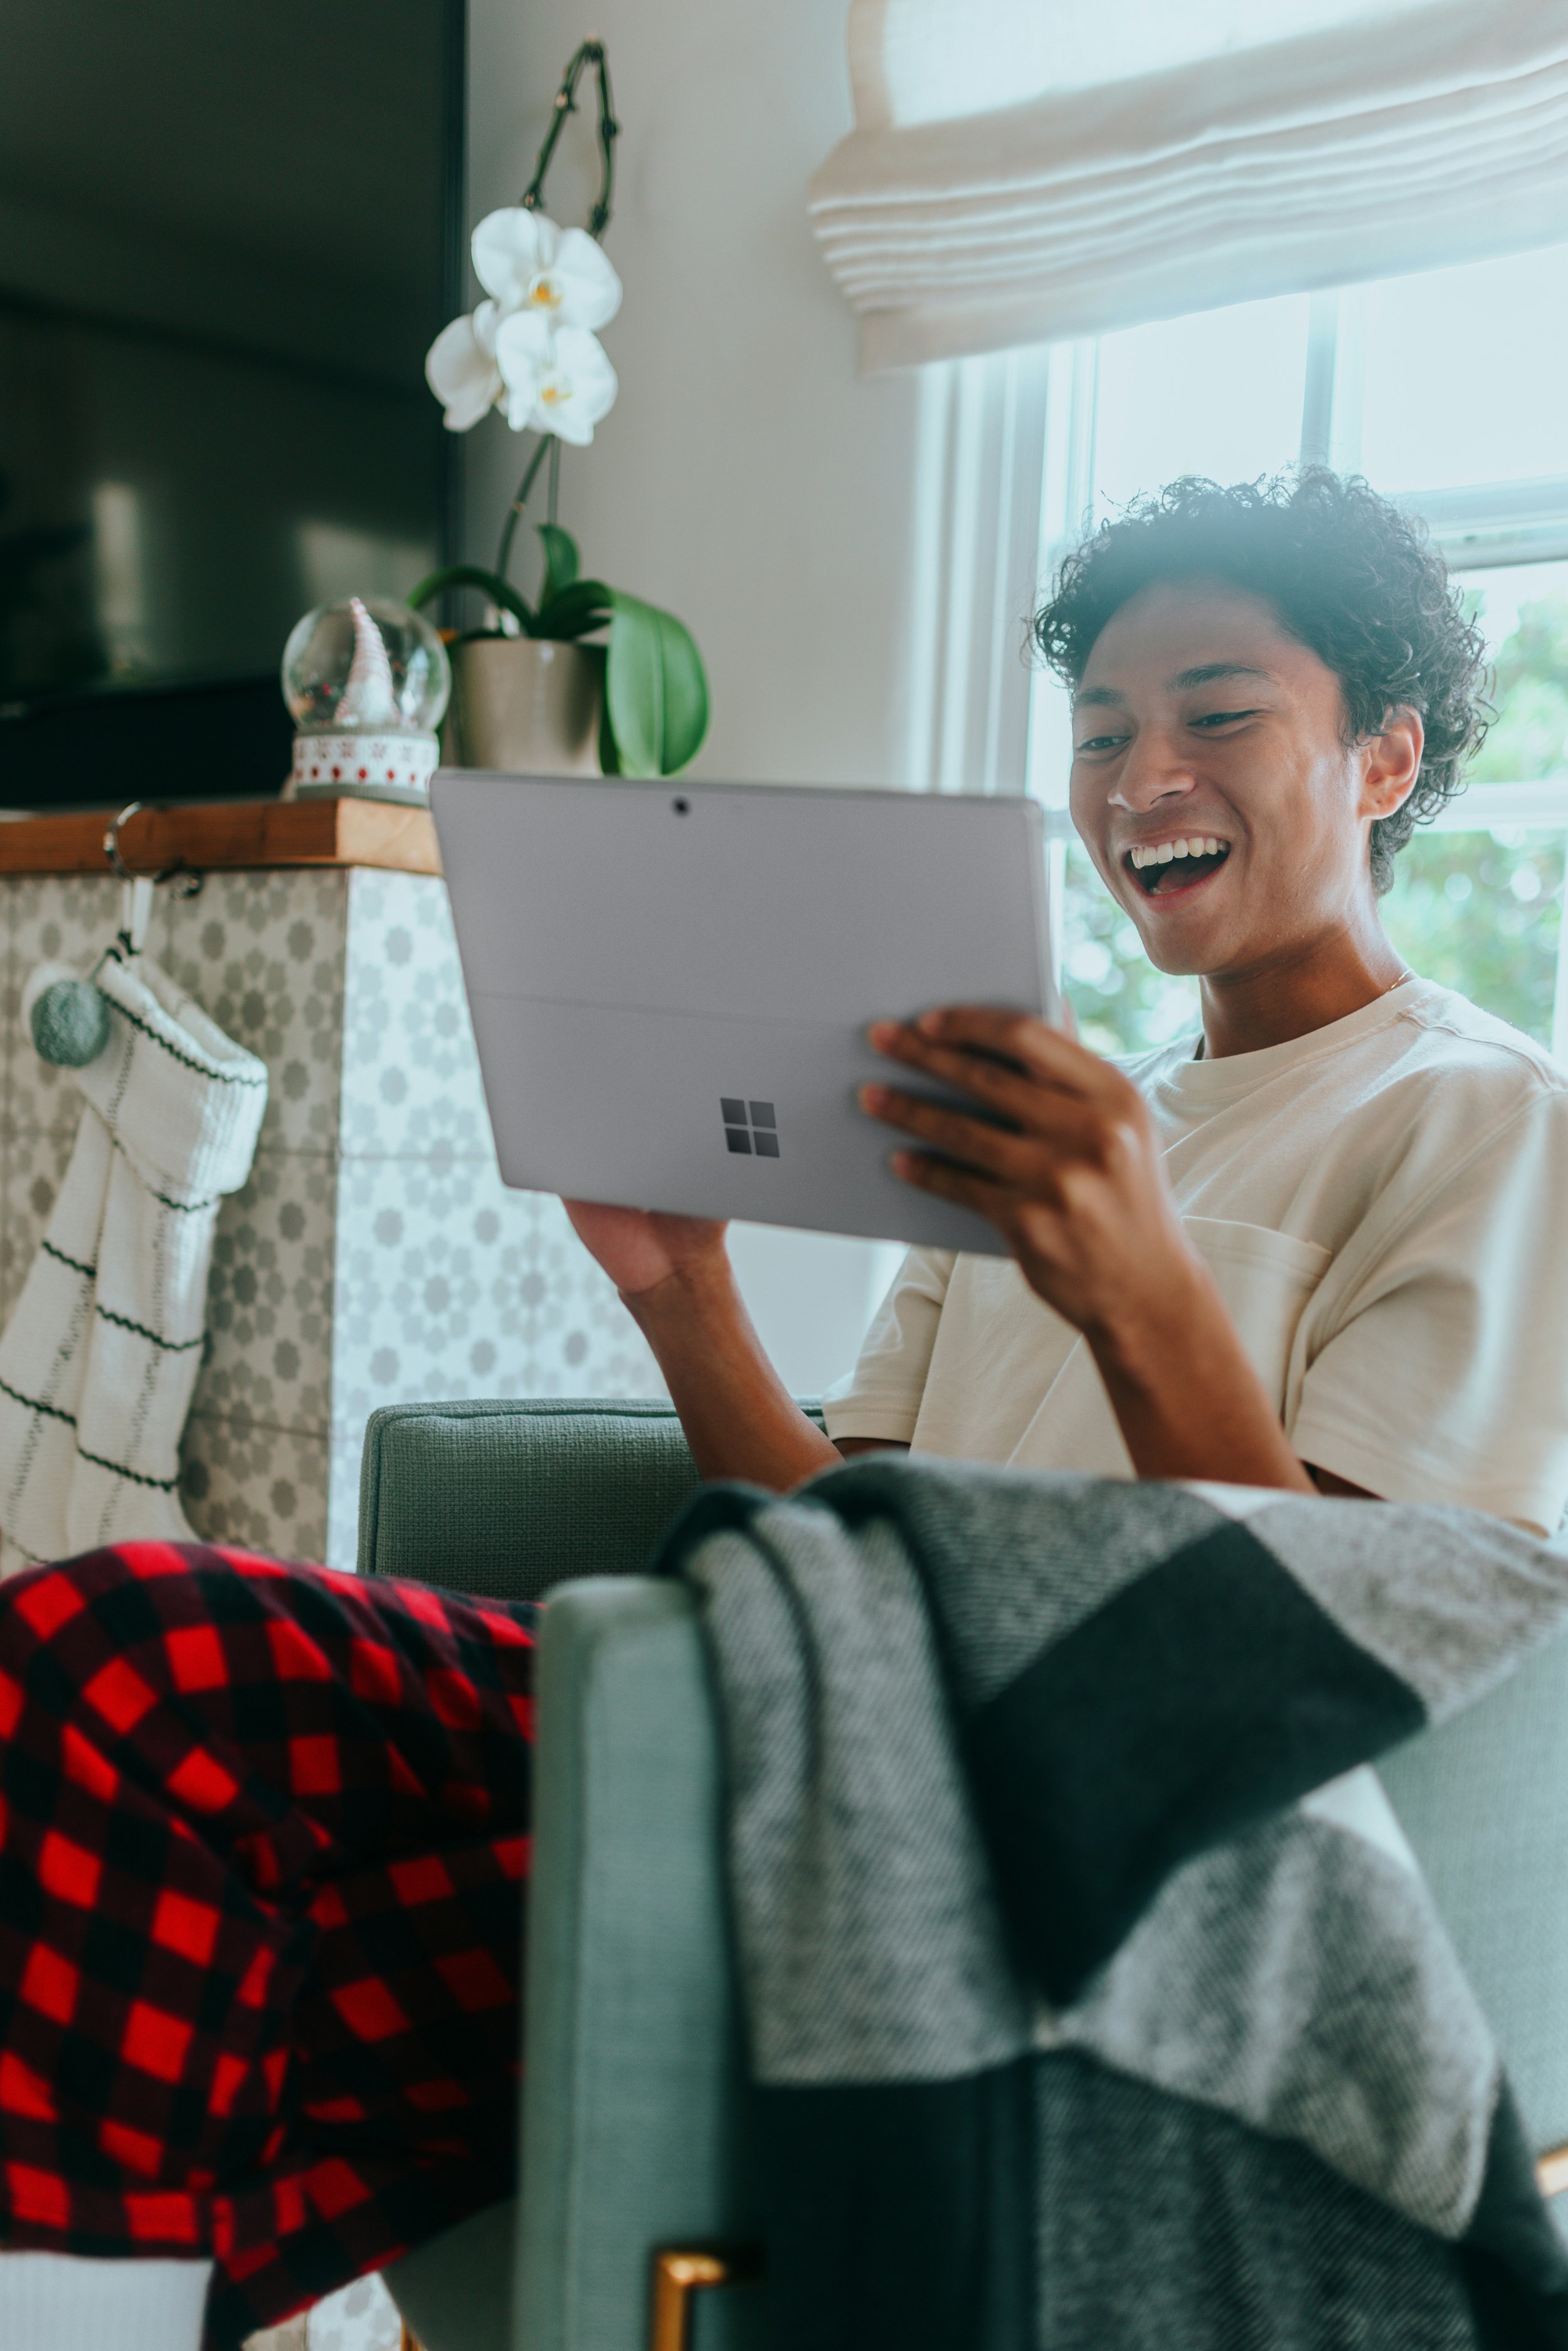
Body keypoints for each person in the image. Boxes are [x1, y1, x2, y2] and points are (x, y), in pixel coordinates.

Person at [4, 469, 1567, 2351]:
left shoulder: (1477, 1118)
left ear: (1383, 758)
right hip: (824, 1714)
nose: (1141, 772)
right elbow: (849, 1531)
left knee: (137, 1658)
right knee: (133, 1709)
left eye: (1217, 713)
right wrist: (681, 1288)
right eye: (1099, 732)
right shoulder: (1043, 1110)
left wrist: (1136, 1283)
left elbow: (1330, 1653)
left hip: (1061, 1822)